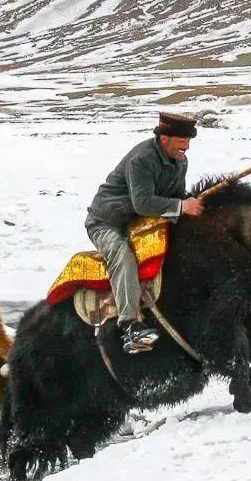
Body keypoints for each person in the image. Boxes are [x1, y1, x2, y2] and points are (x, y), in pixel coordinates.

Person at [85, 112, 203, 354]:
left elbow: (174, 195)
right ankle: (129, 325)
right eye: (182, 142)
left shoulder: (180, 161)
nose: (187, 148)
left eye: (188, 142)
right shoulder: (142, 159)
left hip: (140, 223)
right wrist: (181, 207)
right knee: (122, 256)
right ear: (164, 138)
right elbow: (143, 202)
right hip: (107, 222)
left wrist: (191, 203)